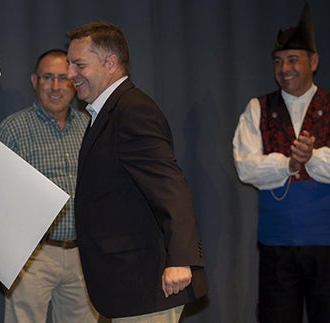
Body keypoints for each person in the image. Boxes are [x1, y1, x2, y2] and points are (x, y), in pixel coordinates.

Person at [66, 21, 208, 322]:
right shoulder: (107, 111)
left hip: (148, 284)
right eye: (69, 64)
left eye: (79, 64)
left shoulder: (132, 111)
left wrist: (181, 261)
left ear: (111, 64)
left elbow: (171, 187)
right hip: (127, 285)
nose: (70, 75)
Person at [233, 4, 330, 322]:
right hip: (276, 243)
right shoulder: (259, 107)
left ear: (314, 61)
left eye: (293, 59)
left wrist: (313, 157)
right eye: (278, 61)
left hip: (327, 245)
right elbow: (245, 166)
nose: (285, 68)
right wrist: (289, 165)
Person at [0, 49, 98, 323]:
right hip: (32, 257)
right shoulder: (12, 129)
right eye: (47, 78)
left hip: (82, 254)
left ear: (74, 81)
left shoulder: (90, 127)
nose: (55, 86)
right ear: (34, 81)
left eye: (63, 78)